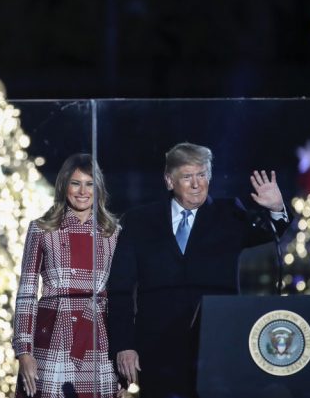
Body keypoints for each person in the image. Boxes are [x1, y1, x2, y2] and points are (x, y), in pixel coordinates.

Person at [107, 142, 290, 398]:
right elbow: (120, 289)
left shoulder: (229, 214)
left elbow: (268, 232)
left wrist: (276, 209)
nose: (196, 184)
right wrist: (124, 345)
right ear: (170, 181)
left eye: (202, 175)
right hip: (157, 349)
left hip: (217, 345)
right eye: (187, 176)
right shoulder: (139, 221)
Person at [12, 153, 120, 398]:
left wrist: (123, 353)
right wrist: (24, 351)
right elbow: (27, 293)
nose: (83, 191)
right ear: (64, 186)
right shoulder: (41, 228)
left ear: (98, 188)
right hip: (52, 334)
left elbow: (122, 298)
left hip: (99, 337)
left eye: (90, 184)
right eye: (76, 183)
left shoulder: (113, 233)